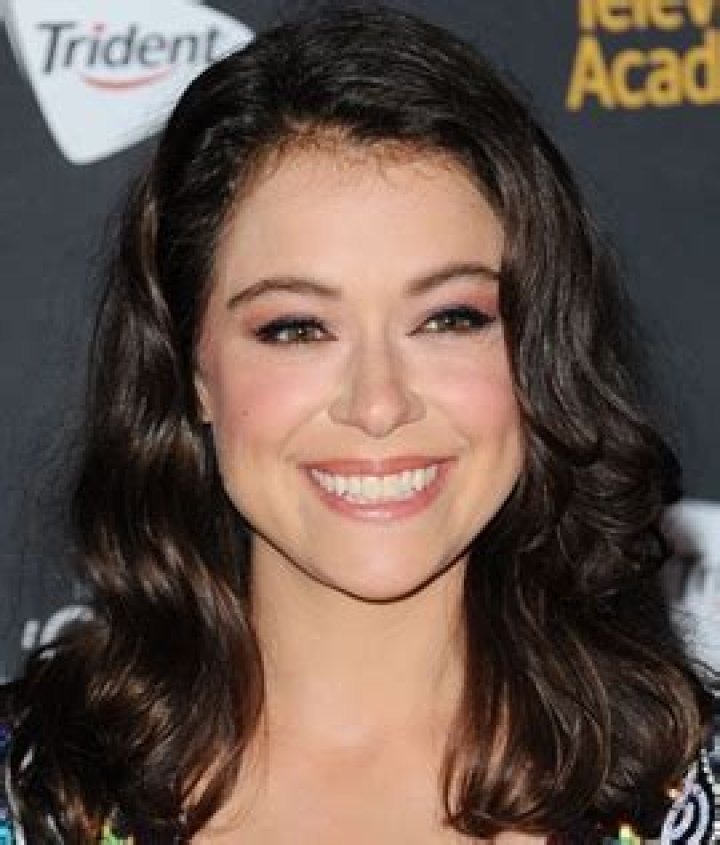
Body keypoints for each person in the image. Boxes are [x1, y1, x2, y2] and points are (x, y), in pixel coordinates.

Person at [1, 5, 716, 843]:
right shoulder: (34, 794)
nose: (379, 403)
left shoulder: (686, 791)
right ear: (194, 370)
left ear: (539, 351)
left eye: (449, 318)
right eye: (297, 328)